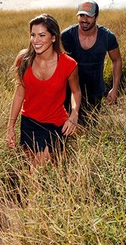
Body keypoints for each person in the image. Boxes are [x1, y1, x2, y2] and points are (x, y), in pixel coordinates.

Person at [6, 14, 81, 168]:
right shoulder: (24, 60)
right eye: (33, 35)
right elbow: (20, 93)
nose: (36, 40)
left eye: (42, 35)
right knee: (33, 167)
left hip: (55, 124)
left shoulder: (69, 64)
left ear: (53, 37)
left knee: (37, 168)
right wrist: (10, 127)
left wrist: (74, 114)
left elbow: (76, 92)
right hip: (29, 122)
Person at [61, 0, 122, 126]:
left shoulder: (107, 37)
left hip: (94, 91)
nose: (84, 19)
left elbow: (116, 60)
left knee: (89, 127)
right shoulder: (66, 36)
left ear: (96, 17)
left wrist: (115, 88)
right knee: (66, 126)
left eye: (89, 16)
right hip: (70, 91)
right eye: (81, 15)